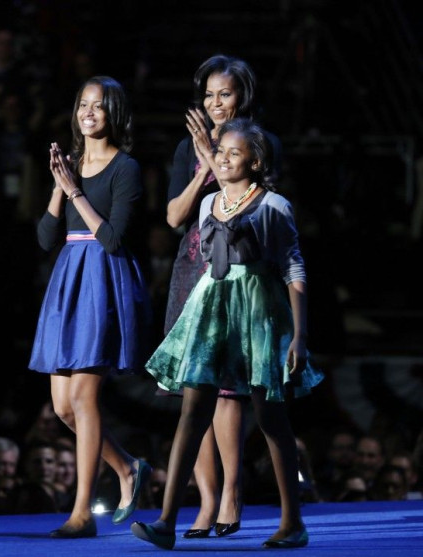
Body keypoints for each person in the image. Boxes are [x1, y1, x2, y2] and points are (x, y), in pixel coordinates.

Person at [131, 118, 324, 550]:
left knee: (270, 416)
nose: (223, 159)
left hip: (257, 309)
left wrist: (299, 334)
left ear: (255, 162)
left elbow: (293, 266)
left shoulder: (274, 206)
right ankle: (165, 520)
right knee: (193, 411)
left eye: (234, 153)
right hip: (213, 308)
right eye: (220, 152)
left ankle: (292, 522)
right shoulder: (209, 203)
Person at [160, 54, 283, 539]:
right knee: (196, 390)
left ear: (243, 96)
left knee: (228, 393)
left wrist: (215, 158)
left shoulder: (259, 144)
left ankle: (233, 492)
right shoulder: (185, 148)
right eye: (208, 94)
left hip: (238, 275)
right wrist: (199, 164)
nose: (215, 104)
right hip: (193, 269)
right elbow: (173, 218)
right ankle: (206, 503)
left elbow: (252, 207)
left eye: (224, 94)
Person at [28, 75, 153, 538]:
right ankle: (127, 468)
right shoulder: (72, 165)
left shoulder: (127, 168)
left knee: (83, 398)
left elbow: (115, 238)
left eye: (98, 106)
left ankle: (82, 513)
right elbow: (45, 238)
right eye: (83, 104)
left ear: (113, 114)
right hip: (68, 280)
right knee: (61, 406)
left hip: (103, 279)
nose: (89, 112)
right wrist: (61, 185)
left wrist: (77, 189)